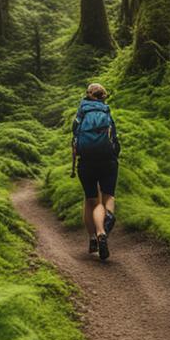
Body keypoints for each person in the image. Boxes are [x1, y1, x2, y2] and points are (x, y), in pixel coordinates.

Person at [72, 83, 120, 260]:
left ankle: (93, 238)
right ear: (103, 96)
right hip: (107, 161)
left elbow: (74, 138)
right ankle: (103, 232)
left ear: (87, 95)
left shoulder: (80, 113)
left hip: (86, 163)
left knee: (91, 200)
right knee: (108, 197)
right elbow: (114, 138)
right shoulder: (106, 112)